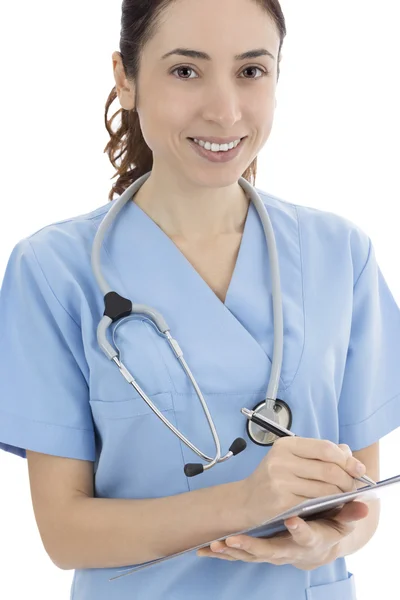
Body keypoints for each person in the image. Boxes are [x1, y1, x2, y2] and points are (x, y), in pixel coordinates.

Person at [0, 0, 399, 598]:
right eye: (186, 70)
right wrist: (243, 501)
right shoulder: (54, 271)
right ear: (126, 79)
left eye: (251, 71)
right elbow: (63, 533)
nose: (225, 110)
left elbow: (359, 504)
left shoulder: (340, 254)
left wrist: (328, 540)